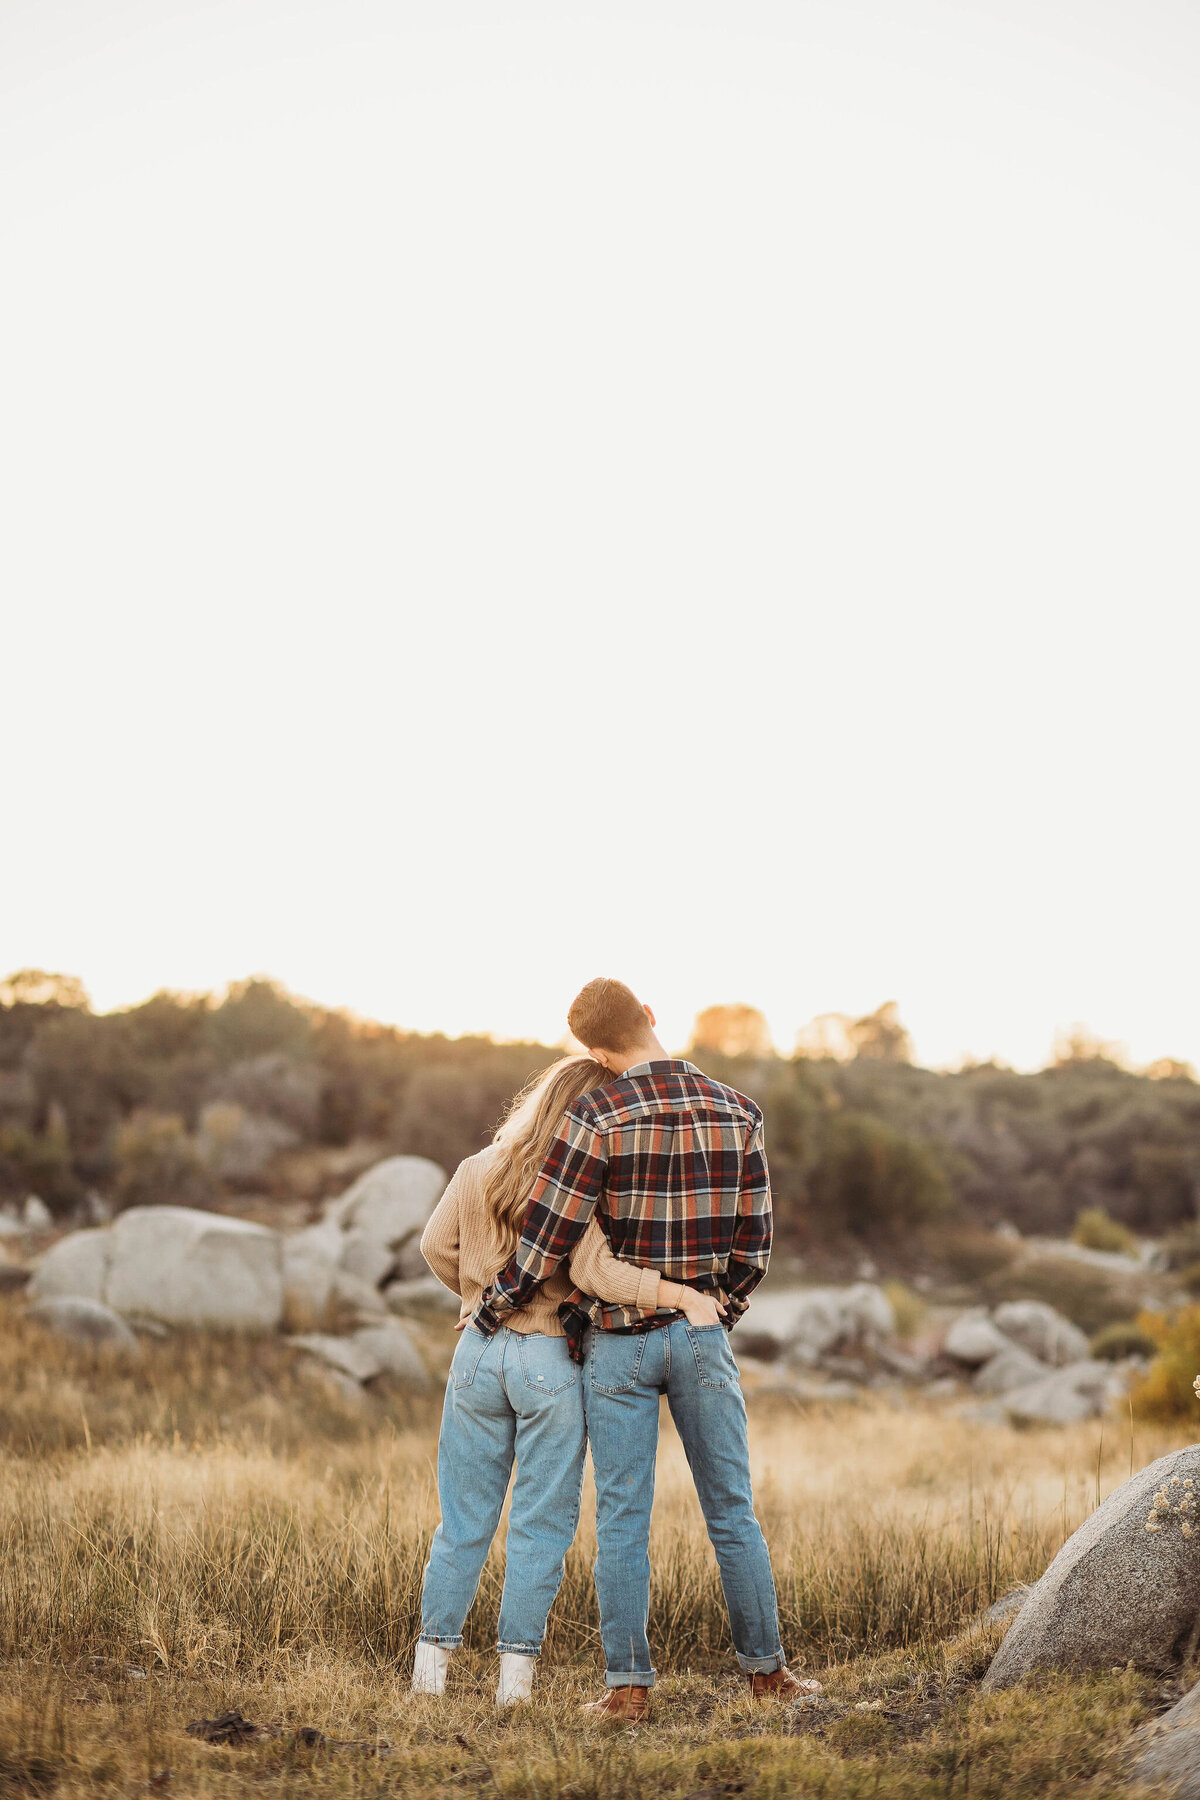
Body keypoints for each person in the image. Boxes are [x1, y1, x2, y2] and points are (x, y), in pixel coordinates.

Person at [472, 977, 822, 1720]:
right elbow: (754, 1245)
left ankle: (628, 1688)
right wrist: (712, 1313)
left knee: (623, 1518)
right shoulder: (741, 1111)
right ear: (653, 1019)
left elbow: (547, 1241)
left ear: (596, 1051)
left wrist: (495, 1305)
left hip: (616, 1345)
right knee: (733, 1512)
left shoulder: (595, 1113)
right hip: (699, 1335)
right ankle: (768, 1676)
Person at [412, 1053, 725, 1708]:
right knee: (540, 1526)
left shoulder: (477, 1169)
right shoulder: (574, 1187)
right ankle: (513, 1687)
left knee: (461, 1521)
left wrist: (473, 1296)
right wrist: (672, 1293)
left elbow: (435, 1247)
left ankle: (428, 1677)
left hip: (476, 1352)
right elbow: (598, 1276)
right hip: (550, 1358)